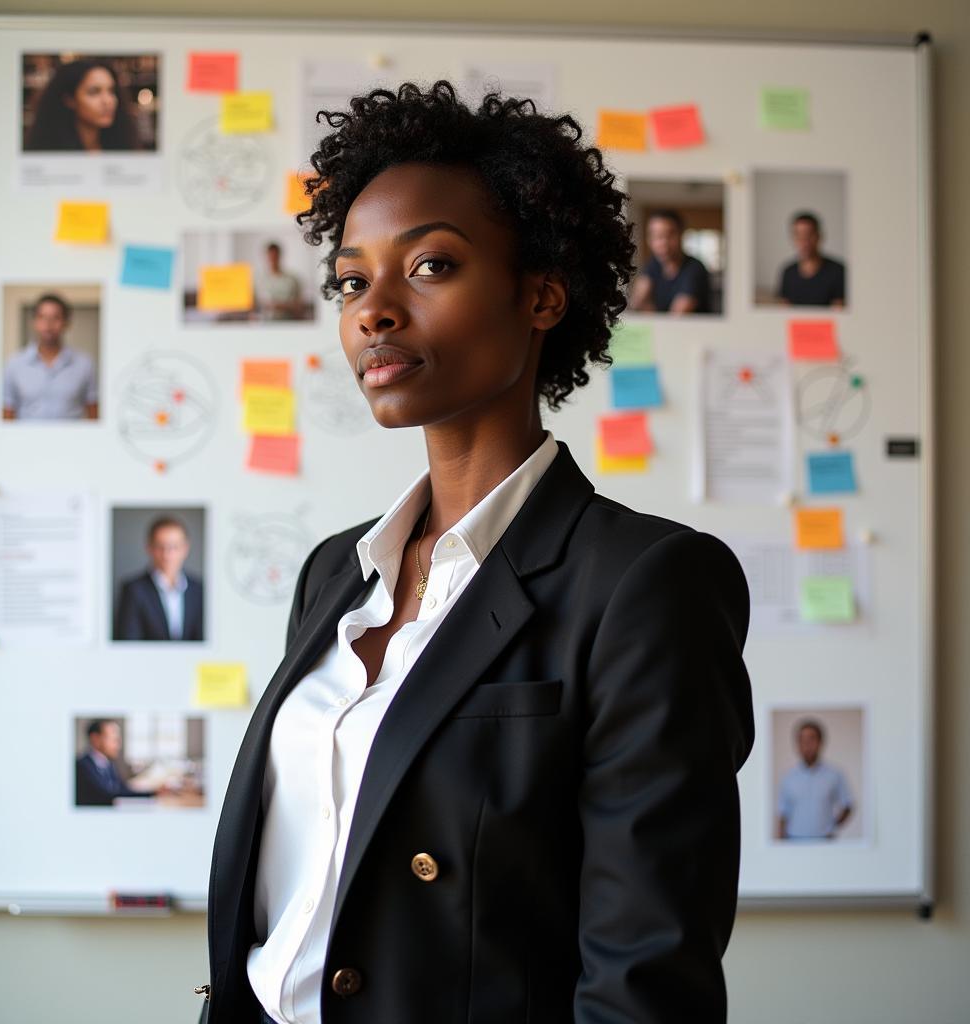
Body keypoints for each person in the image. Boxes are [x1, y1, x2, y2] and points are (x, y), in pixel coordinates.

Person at [199, 81, 753, 1024]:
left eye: (430, 266)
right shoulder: (337, 573)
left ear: (540, 295)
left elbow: (644, 984)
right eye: (350, 280)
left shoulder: (645, 583)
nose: (372, 309)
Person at [1, 293, 99, 421]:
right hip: (26, 440)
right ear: (34, 322)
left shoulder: (85, 364)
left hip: (73, 440)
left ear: (66, 323)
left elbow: (94, 412)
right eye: (42, 317)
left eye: (55, 318)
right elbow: (8, 412)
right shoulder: (14, 364)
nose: (48, 324)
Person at [114, 516, 204, 642]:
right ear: (149, 548)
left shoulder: (199, 590)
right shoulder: (133, 590)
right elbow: (128, 642)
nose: (167, 555)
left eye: (174, 547)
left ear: (185, 549)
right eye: (160, 546)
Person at [25, 57, 139, 152]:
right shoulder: (48, 153)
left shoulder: (125, 148)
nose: (107, 101)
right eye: (94, 92)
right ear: (70, 100)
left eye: (111, 91)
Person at [777, 718, 854, 840]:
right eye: (802, 740)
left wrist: (831, 827)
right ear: (797, 744)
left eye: (812, 739)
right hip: (793, 841)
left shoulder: (835, 774)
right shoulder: (788, 777)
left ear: (821, 742)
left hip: (824, 841)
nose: (807, 745)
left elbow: (848, 805)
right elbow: (782, 813)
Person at [629, 208, 712, 314]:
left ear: (681, 235)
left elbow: (678, 315)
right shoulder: (654, 264)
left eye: (670, 235)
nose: (663, 242)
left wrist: (647, 309)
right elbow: (636, 302)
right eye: (657, 236)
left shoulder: (695, 268)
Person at [74, 719, 155, 806]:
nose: (118, 744)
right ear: (95, 739)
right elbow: (108, 795)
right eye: (113, 739)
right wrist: (152, 793)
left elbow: (122, 789)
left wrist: (152, 792)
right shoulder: (82, 766)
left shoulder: (108, 763)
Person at [775, 211, 846, 308]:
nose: (804, 241)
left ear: (819, 236)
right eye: (798, 235)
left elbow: (839, 314)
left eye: (808, 234)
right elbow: (783, 311)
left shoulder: (838, 271)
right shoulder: (788, 272)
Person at [255, 242, 305, 320]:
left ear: (280, 256)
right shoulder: (259, 280)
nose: (273, 260)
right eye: (270, 257)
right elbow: (254, 306)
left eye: (275, 257)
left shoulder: (292, 279)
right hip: (265, 325)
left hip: (288, 323)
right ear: (266, 257)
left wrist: (281, 306)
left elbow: (300, 306)